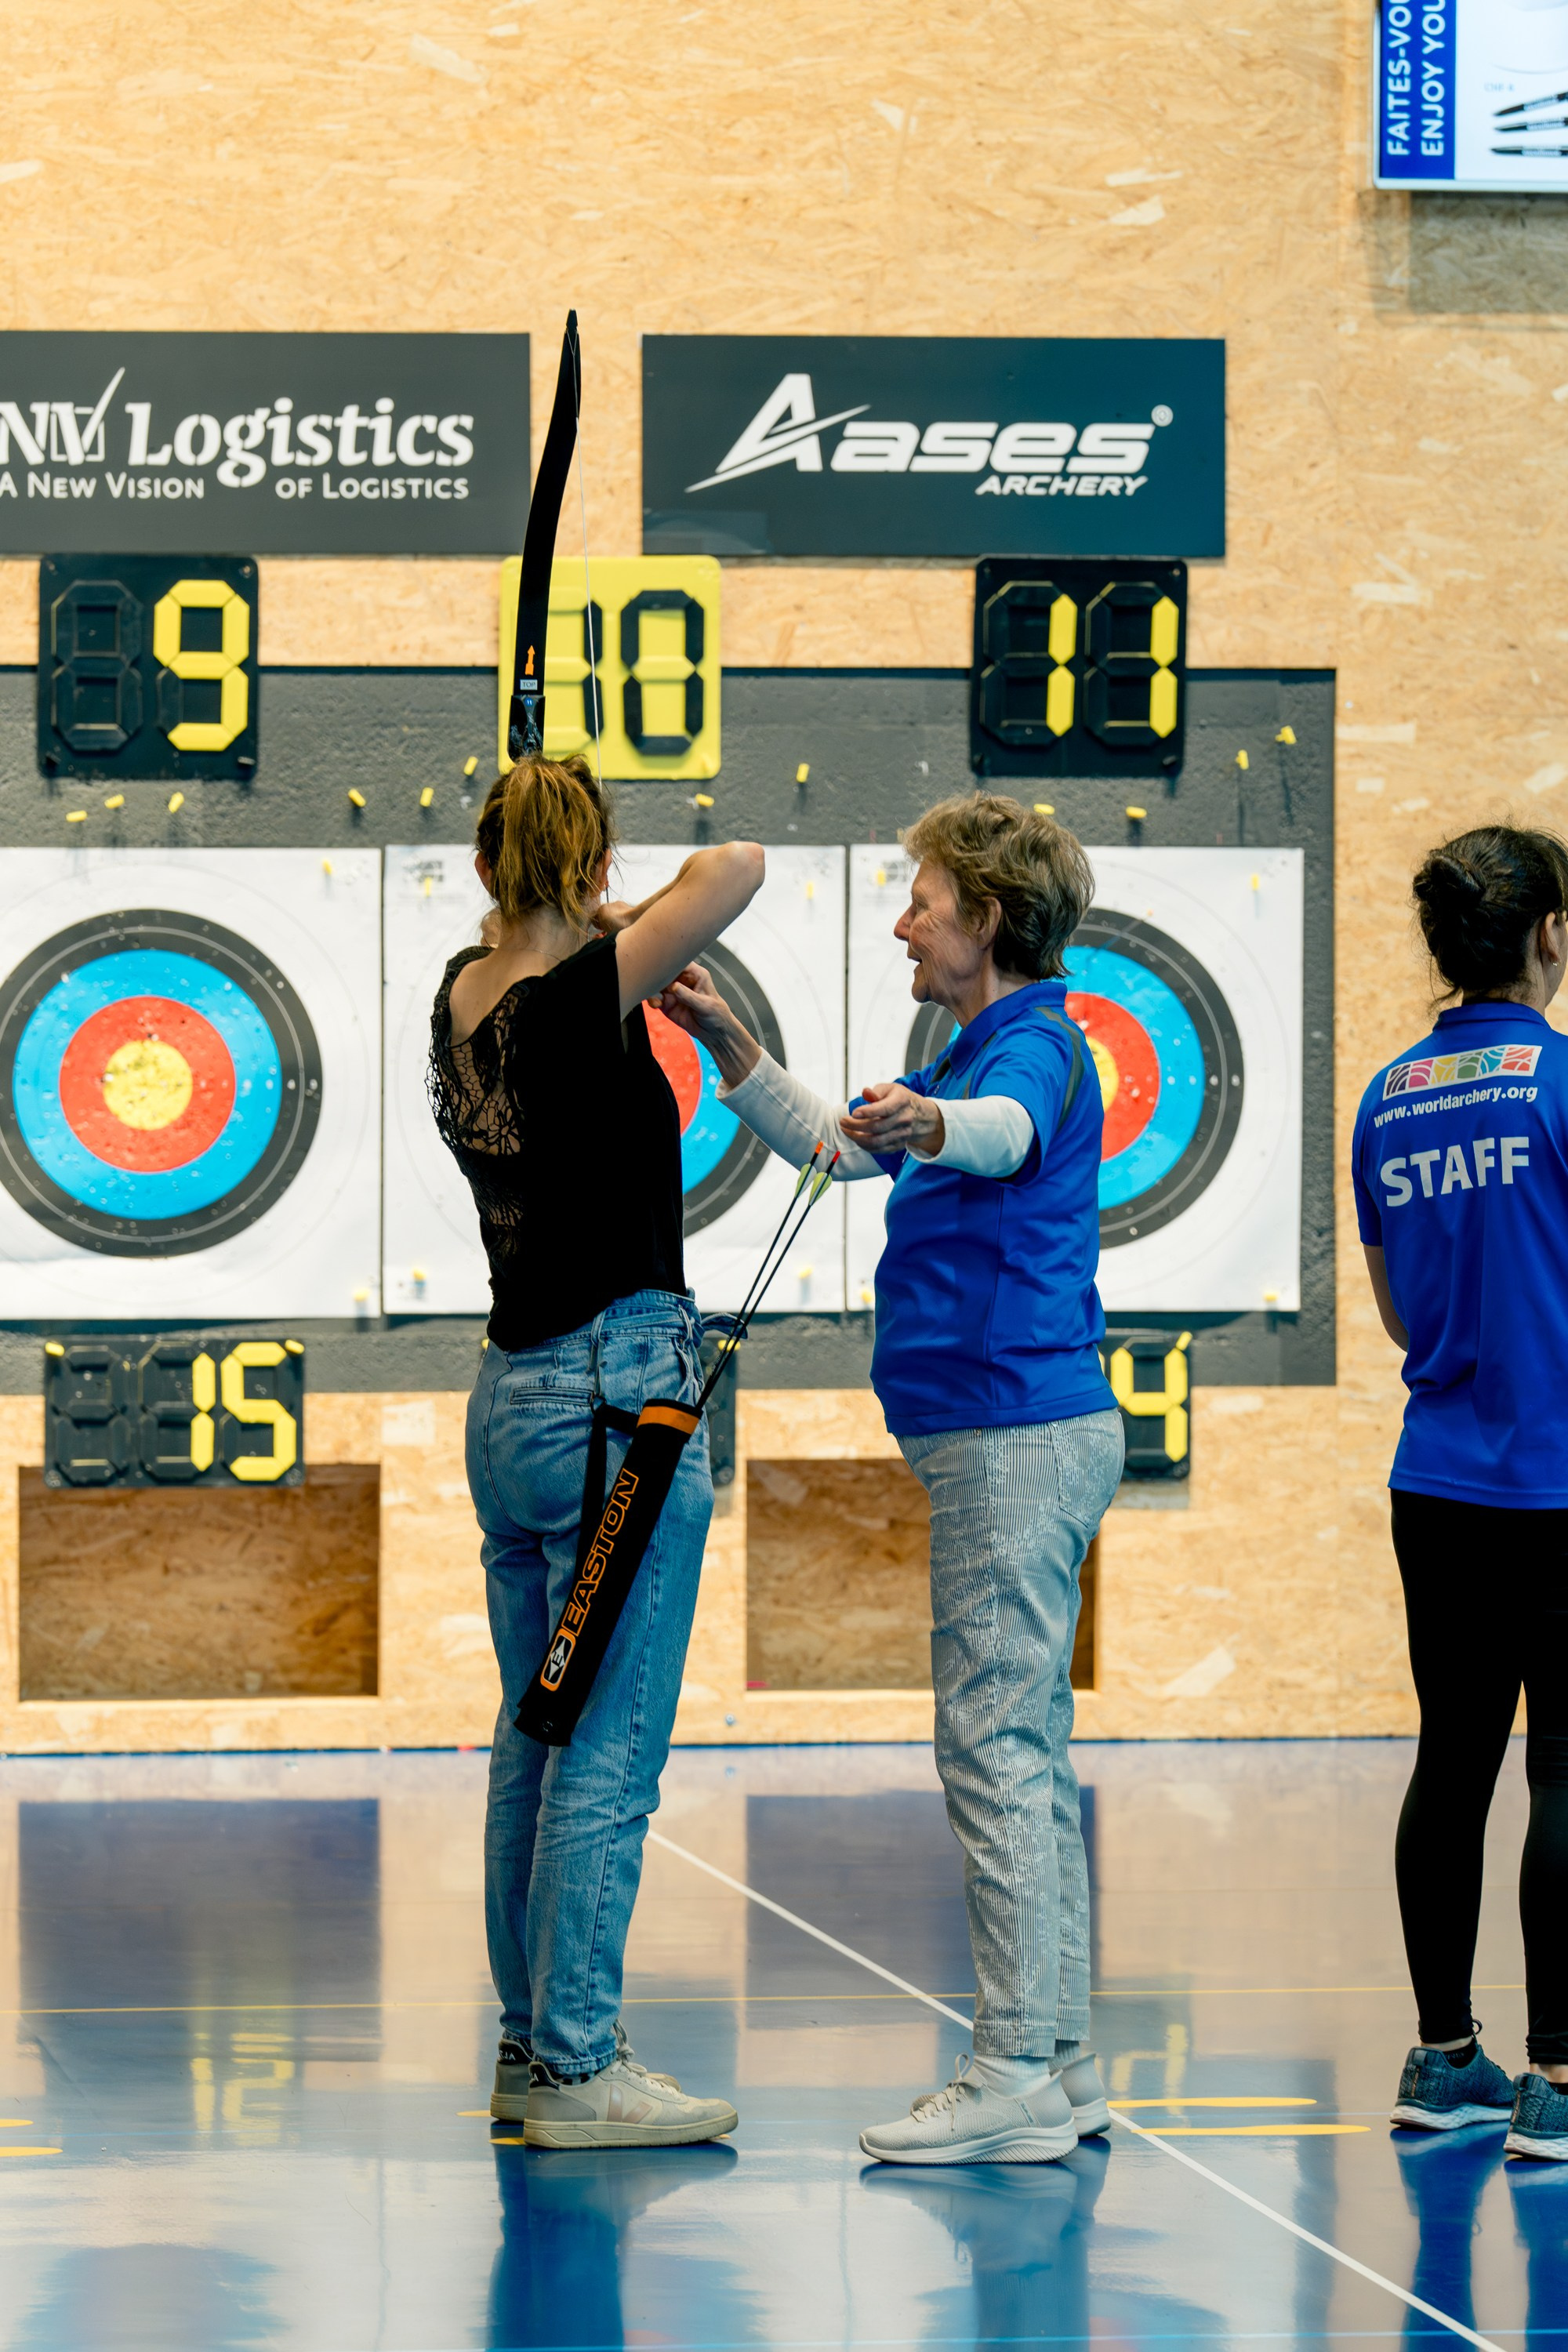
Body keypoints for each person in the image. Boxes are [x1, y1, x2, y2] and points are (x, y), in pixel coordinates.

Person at [660, 792, 1123, 2165]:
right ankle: (1062, 2058)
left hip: (1012, 1435)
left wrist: (936, 1120)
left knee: (993, 1749)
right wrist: (740, 1054)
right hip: (1005, 1435)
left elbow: (1002, 1134)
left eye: (925, 900)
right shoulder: (980, 1042)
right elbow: (831, 1145)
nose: (906, 921)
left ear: (986, 915)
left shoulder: (1030, 1047)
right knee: (1021, 1750)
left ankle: (1015, 2069)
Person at [428, 752, 763, 2150]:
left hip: (514, 1395)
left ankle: (528, 2052)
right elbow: (736, 863)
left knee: (537, 1737)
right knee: (607, 1752)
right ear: (586, 866)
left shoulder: (462, 987)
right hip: (609, 1403)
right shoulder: (578, 993)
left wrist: (557, 875)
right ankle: (577, 2066)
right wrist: (602, 902)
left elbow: (585, 934)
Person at [1352, 824, 1568, 2160]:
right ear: (1549, 936)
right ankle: (1558, 2079)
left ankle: (1445, 2058)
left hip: (1437, 1485)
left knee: (1455, 1760)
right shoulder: (1560, 1081)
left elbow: (1392, 1314)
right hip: (1556, 1483)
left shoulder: (1390, 1095)